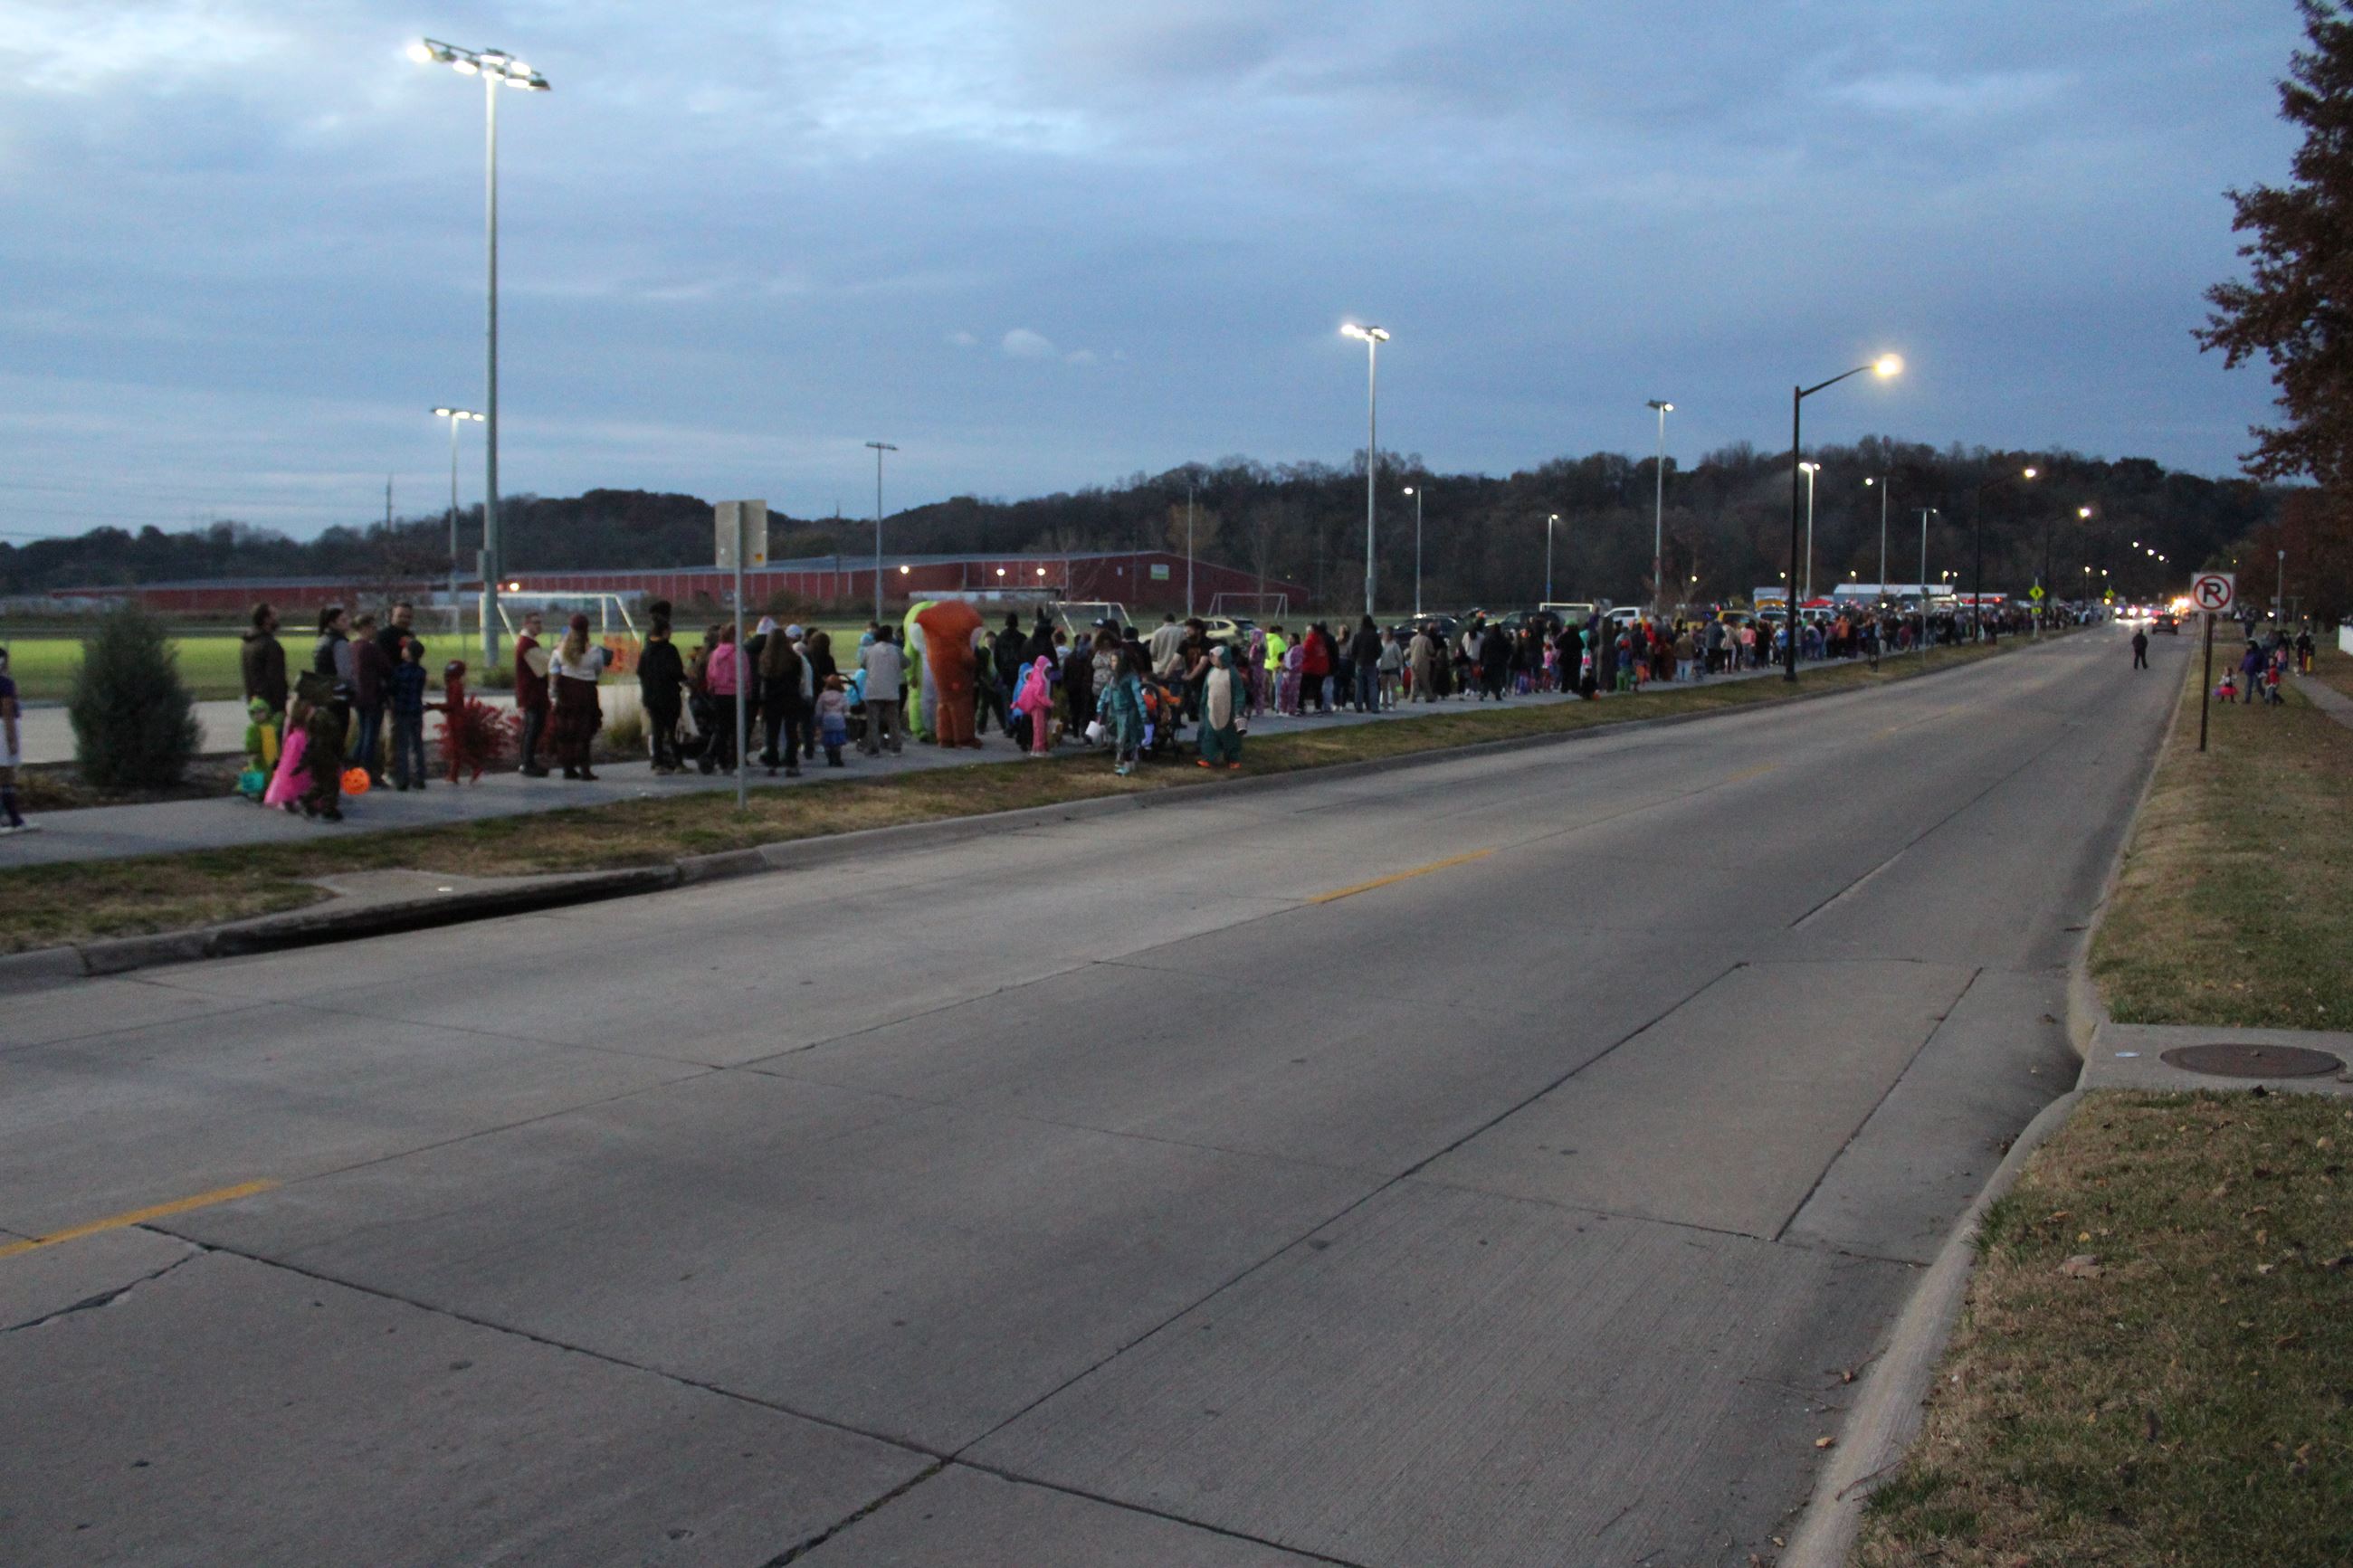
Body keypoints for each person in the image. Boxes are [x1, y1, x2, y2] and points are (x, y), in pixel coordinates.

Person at [549, 613, 605, 779]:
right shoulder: (594, 651)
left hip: (566, 692)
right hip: (586, 692)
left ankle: (568, 768)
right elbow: (598, 670)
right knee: (584, 731)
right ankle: (585, 769)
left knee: (567, 732)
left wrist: (553, 690)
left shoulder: (560, 650)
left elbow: (553, 669)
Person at [757, 620, 810, 776]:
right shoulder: (794, 658)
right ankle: (791, 764)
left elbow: (763, 682)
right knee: (791, 732)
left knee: (771, 733)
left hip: (771, 700)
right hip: (790, 698)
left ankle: (772, 764)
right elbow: (799, 679)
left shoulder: (766, 660)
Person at [637, 610, 686, 774]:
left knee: (657, 731)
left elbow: (640, 672)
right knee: (673, 731)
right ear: (665, 632)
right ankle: (678, 762)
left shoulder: (646, 651)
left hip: (651, 696)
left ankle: (658, 763)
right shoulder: (670, 650)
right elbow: (677, 672)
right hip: (669, 696)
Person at [349, 612, 390, 783]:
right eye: (372, 626)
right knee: (370, 736)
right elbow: (387, 669)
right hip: (372, 696)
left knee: (362, 733)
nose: (375, 629)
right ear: (365, 628)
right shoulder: (370, 648)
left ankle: (351, 764)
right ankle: (364, 771)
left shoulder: (351, 647)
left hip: (357, 696)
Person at [387, 637, 430, 789]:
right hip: (416, 711)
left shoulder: (399, 671)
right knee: (417, 745)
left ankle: (403, 779)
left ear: (408, 653)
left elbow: (392, 690)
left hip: (402, 710)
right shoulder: (421, 672)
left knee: (402, 746)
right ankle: (420, 777)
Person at [1098, 644, 1146, 775]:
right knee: (1120, 738)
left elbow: (1138, 695)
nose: (1112, 663)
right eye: (1112, 660)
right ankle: (1127, 762)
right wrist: (1100, 708)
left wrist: (1143, 712)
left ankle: (1127, 764)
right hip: (1116, 712)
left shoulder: (1131, 678)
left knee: (1127, 739)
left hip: (1129, 713)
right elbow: (1106, 693)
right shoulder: (1114, 678)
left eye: (1115, 661)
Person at [513, 610, 551, 776]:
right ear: (526, 624)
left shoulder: (528, 643)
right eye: (535, 622)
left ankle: (528, 761)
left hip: (532, 692)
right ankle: (527, 763)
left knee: (533, 727)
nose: (539, 625)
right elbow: (545, 666)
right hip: (532, 693)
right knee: (533, 727)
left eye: (540, 622)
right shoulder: (527, 645)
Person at [1196, 644, 1246, 769]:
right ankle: (1208, 757)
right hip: (1212, 709)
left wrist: (1239, 708)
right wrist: (1202, 704)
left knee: (1230, 736)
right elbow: (1206, 690)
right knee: (1210, 734)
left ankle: (1233, 759)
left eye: (1215, 656)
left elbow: (1239, 692)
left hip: (1228, 711)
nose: (1212, 658)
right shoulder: (1212, 672)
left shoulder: (1233, 674)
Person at [860, 625, 905, 755]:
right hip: (892, 690)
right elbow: (907, 663)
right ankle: (896, 746)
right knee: (893, 721)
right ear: (889, 636)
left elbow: (863, 665)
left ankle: (873, 747)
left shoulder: (869, 651)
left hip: (873, 690)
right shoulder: (896, 650)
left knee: (873, 721)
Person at [240, 603, 287, 720]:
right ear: (266, 619)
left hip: (255, 704)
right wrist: (282, 707)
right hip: (271, 707)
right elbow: (276, 680)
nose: (277, 617)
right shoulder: (270, 646)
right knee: (272, 738)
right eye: (274, 614)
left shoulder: (247, 643)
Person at [705, 622, 740, 770]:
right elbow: (745, 675)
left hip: (719, 693)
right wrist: (747, 691)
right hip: (735, 693)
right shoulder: (739, 653)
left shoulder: (715, 654)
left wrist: (712, 686)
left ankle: (721, 760)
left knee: (721, 728)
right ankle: (735, 760)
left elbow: (711, 673)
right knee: (737, 729)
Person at [0, 646, 27, 833]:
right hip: (2, 729)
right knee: (6, 774)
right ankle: (14, 817)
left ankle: (11, 816)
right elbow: (7, 712)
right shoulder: (5, 684)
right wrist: (12, 740)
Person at [815, 674, 852, 766]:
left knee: (827, 741)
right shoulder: (841, 696)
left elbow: (819, 710)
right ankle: (837, 758)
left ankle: (830, 758)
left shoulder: (822, 696)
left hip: (827, 719)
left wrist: (818, 721)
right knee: (837, 741)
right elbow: (846, 708)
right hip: (839, 719)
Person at [1349, 615, 1382, 713]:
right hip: (1371, 662)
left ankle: (1358, 705)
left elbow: (1353, 651)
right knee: (1373, 685)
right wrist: (1375, 657)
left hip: (1360, 662)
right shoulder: (1374, 635)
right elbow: (1379, 650)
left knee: (1359, 685)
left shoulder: (1358, 635)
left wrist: (1356, 659)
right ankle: (1374, 707)